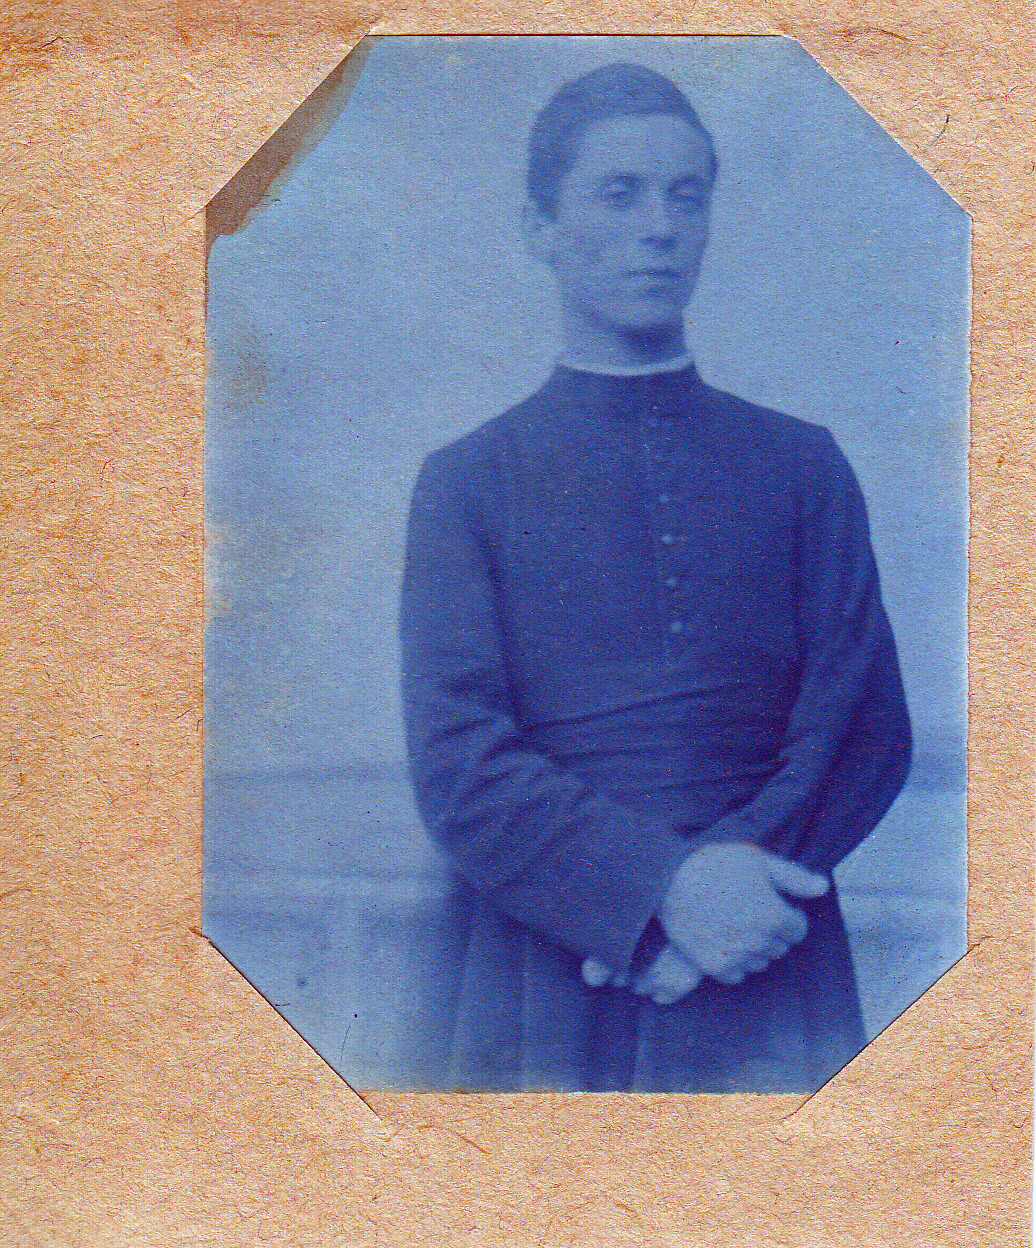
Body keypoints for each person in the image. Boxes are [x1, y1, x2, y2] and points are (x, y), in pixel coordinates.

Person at [398, 62, 912, 1093]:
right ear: (540, 229)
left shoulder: (802, 464)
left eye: (686, 196)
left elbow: (859, 726)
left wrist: (722, 895)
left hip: (767, 936)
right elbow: (458, 760)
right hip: (545, 953)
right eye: (619, 195)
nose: (659, 228)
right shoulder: (468, 480)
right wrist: (656, 896)